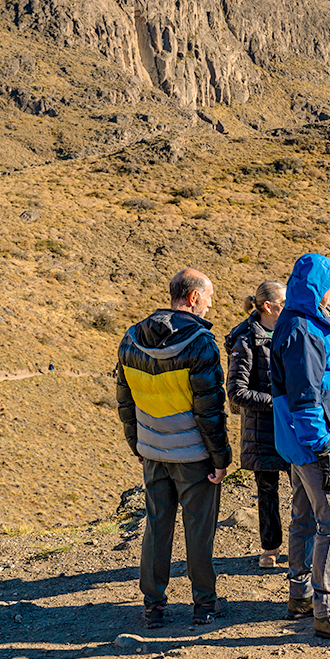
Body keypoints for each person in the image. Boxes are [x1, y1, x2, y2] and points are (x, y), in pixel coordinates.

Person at [116, 268, 233, 629]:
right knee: (199, 531)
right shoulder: (201, 343)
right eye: (209, 298)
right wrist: (220, 458)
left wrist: (136, 442)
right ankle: (204, 605)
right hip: (193, 456)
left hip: (152, 451)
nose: (211, 305)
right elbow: (210, 409)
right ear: (194, 297)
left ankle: (153, 607)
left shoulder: (131, 338)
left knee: (156, 526)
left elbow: (125, 399)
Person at [271, 253, 330, 641]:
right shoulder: (303, 330)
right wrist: (324, 448)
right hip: (312, 444)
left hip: (301, 443)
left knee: (306, 516)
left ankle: (301, 595)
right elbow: (305, 398)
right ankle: (326, 610)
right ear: (316, 287)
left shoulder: (302, 322)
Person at [226, 280, 288, 568]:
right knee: (267, 491)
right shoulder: (246, 342)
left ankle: (304, 547)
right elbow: (236, 391)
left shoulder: (289, 332)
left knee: (303, 488)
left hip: (290, 426)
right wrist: (277, 403)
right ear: (268, 307)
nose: (288, 308)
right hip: (263, 431)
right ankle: (270, 549)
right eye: (283, 303)